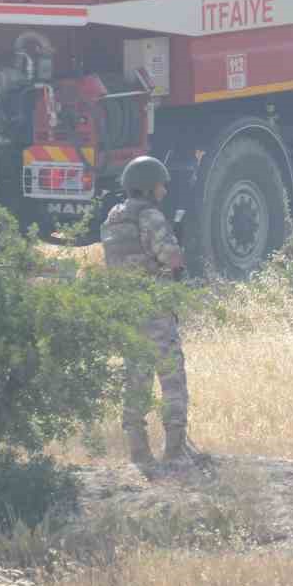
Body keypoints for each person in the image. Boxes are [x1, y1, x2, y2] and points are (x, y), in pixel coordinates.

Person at [101, 156, 205, 469]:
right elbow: (171, 259)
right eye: (160, 184)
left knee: (136, 379)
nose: (164, 189)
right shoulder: (151, 217)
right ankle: (175, 450)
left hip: (127, 309)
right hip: (155, 308)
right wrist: (180, 248)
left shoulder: (112, 219)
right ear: (148, 186)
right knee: (171, 377)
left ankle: (139, 454)